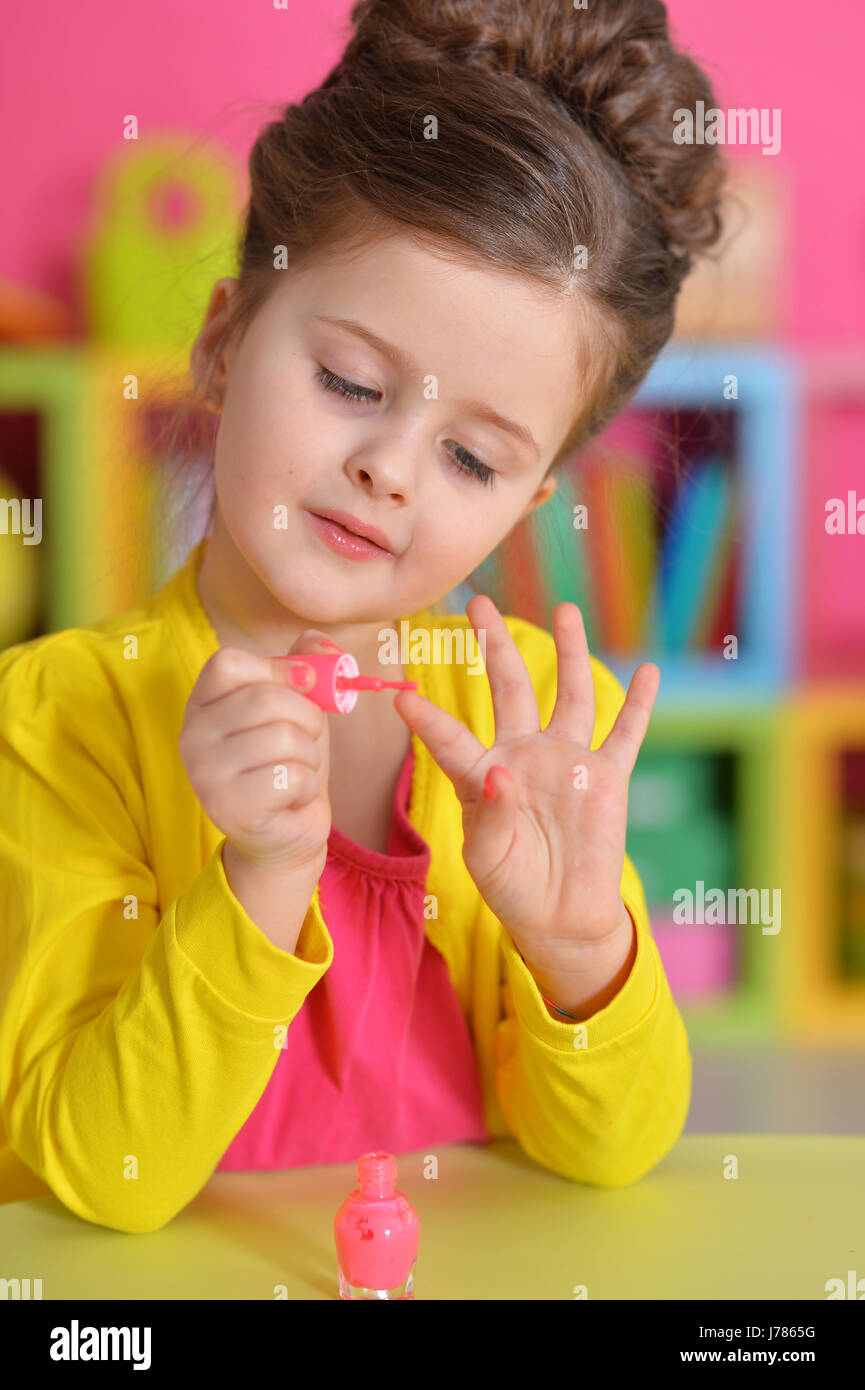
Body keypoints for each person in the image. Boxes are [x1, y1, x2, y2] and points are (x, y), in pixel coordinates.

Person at [0, 0, 726, 1232]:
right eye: (348, 382)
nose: (391, 468)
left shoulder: (546, 740)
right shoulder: (59, 720)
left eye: (473, 458)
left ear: (527, 505)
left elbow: (611, 1156)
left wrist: (576, 944)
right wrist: (260, 877)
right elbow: (103, 1176)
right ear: (225, 343)